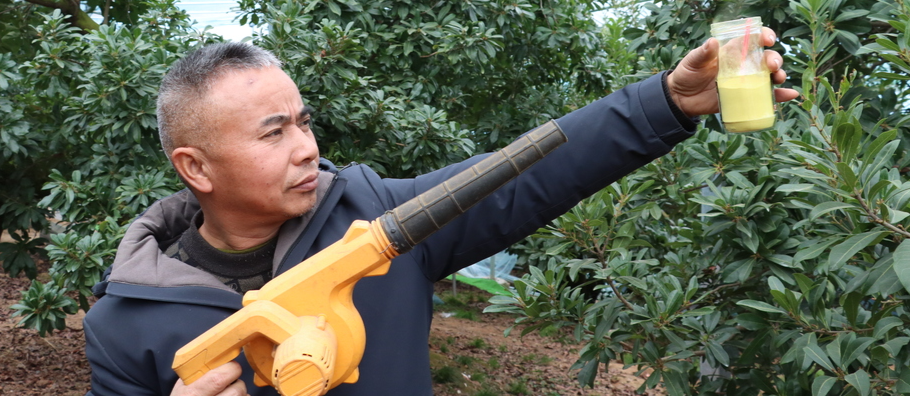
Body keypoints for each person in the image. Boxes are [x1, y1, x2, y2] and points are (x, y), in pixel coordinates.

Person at [83, 34, 798, 396]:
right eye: (274, 133)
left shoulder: (375, 217)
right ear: (196, 167)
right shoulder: (127, 324)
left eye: (304, 121)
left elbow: (527, 174)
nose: (307, 147)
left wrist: (665, 101)